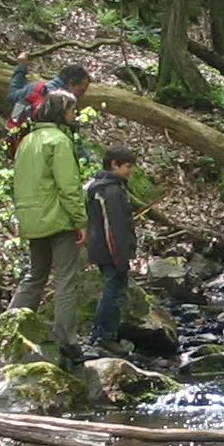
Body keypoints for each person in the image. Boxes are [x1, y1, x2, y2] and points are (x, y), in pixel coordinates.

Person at [10, 91, 90, 366]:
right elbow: (69, 186)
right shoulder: (59, 141)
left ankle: (9, 326)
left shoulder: (27, 141)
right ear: (60, 112)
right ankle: (66, 340)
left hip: (31, 217)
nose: (74, 116)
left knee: (36, 274)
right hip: (58, 218)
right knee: (67, 278)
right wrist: (80, 220)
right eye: (71, 110)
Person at [84, 146, 140, 354]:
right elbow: (113, 227)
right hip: (110, 251)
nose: (130, 171)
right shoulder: (111, 190)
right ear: (114, 165)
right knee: (114, 292)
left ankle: (102, 334)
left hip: (103, 249)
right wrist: (120, 257)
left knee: (114, 290)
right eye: (127, 166)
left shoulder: (101, 187)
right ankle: (104, 336)